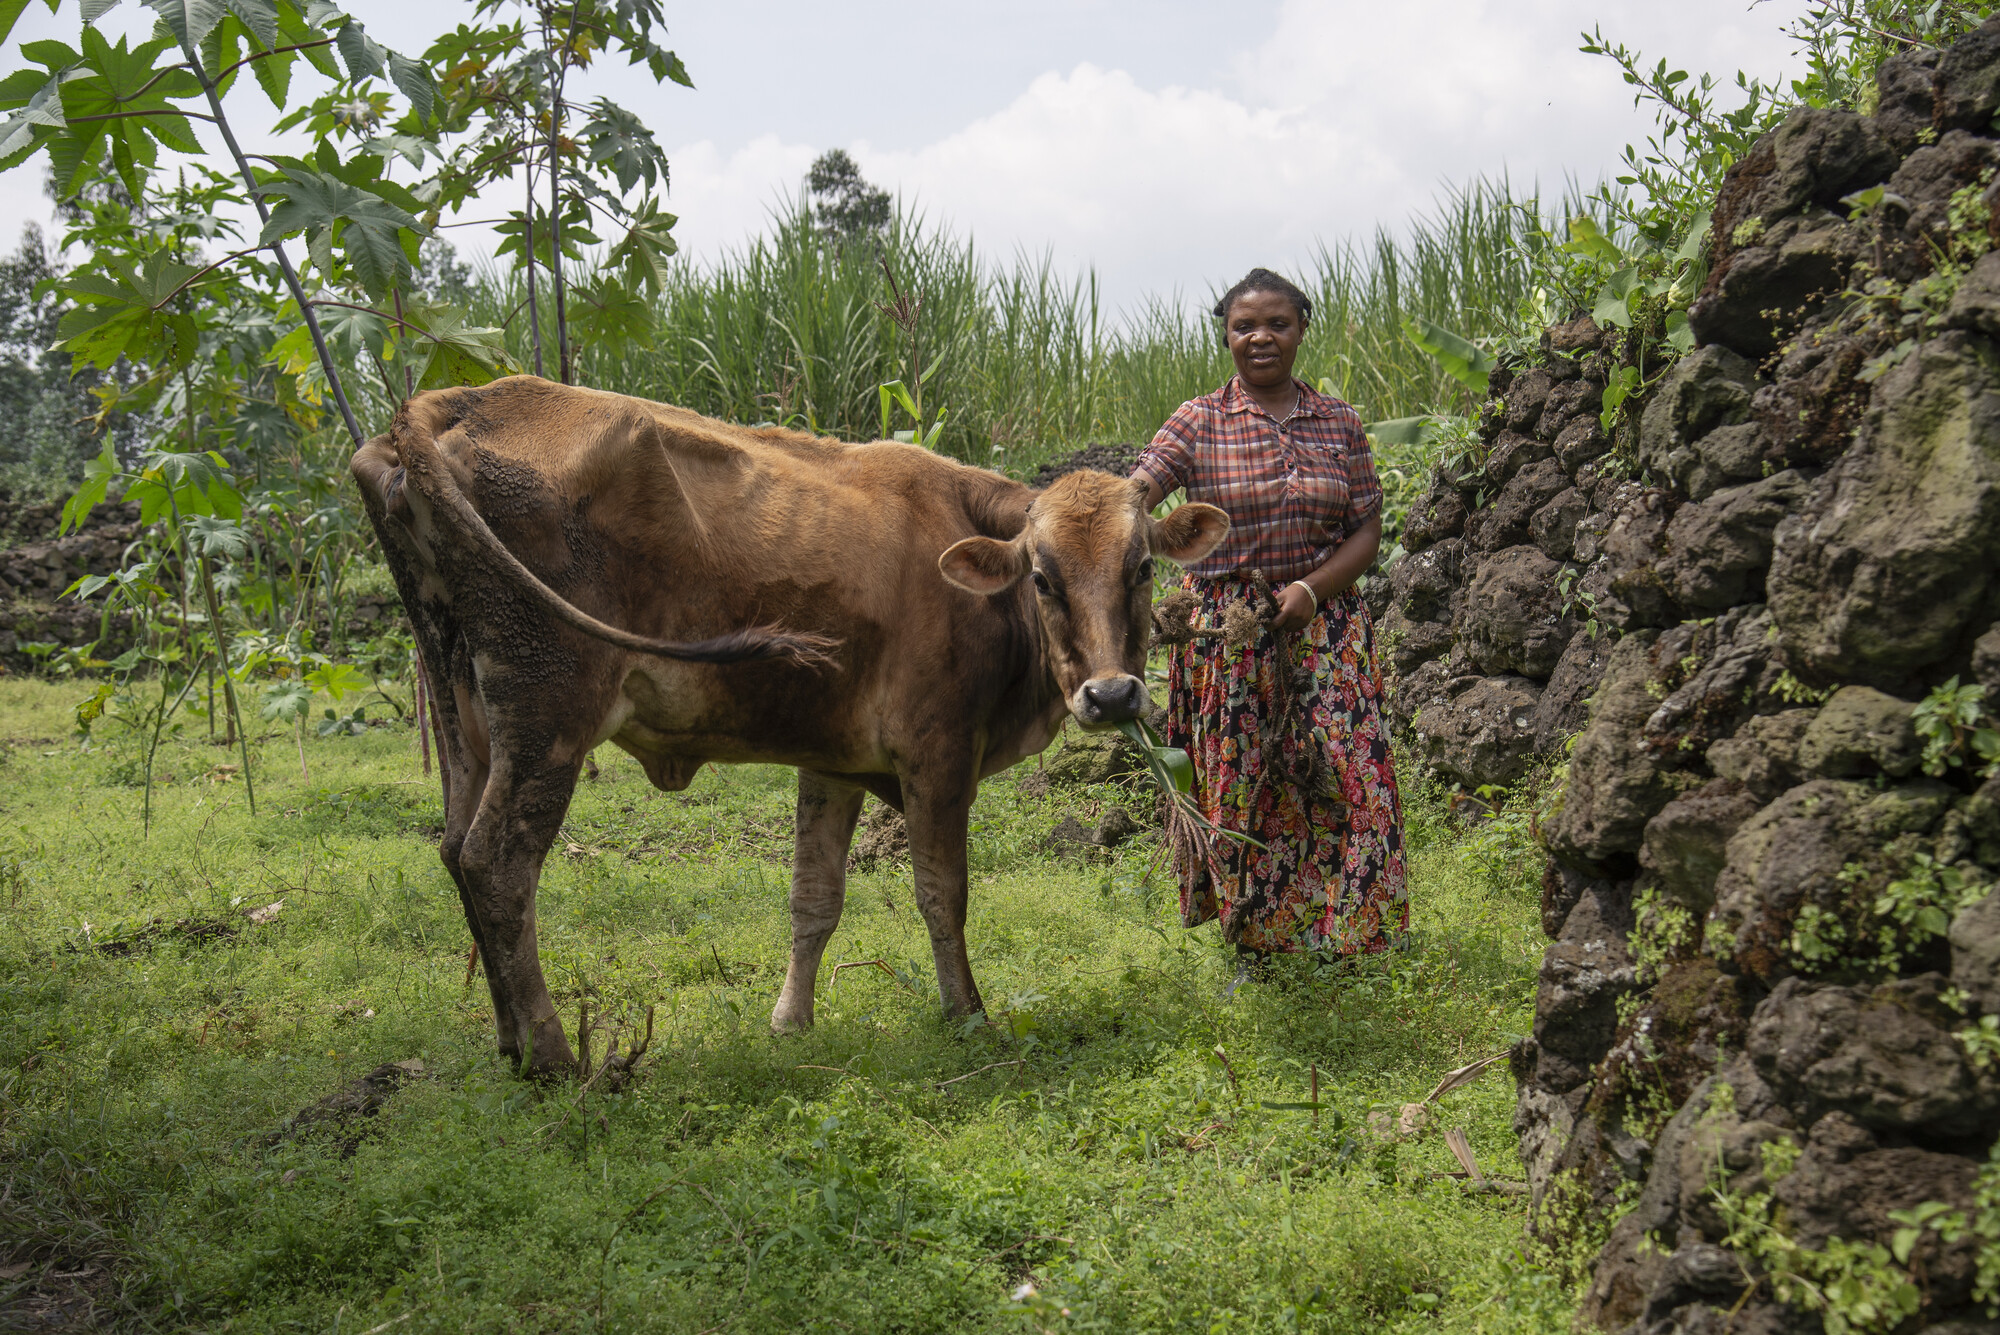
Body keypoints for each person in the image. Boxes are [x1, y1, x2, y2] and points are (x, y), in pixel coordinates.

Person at [1132, 267, 1407, 963]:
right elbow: (1132, 494)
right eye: (1244, 325)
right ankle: (1255, 943)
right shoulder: (1198, 421)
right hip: (1228, 634)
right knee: (1246, 784)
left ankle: (1356, 937)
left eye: (1277, 323)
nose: (1261, 337)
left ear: (1301, 329)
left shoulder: (1338, 421)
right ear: (1225, 335)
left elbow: (1366, 530)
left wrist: (1311, 590)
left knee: (1355, 773)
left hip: (1326, 627)